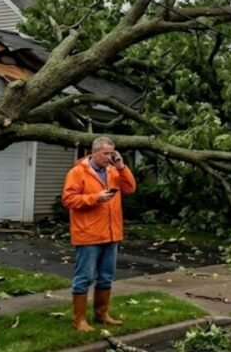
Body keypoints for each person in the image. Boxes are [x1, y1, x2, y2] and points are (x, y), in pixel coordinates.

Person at [62, 136, 136, 331]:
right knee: (84, 277)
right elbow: (69, 200)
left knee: (106, 277)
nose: (109, 157)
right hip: (89, 234)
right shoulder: (77, 172)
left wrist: (121, 166)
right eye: (105, 153)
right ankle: (79, 319)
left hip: (111, 233)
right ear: (94, 152)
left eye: (112, 153)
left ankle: (102, 314)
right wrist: (96, 198)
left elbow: (130, 188)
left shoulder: (113, 170)